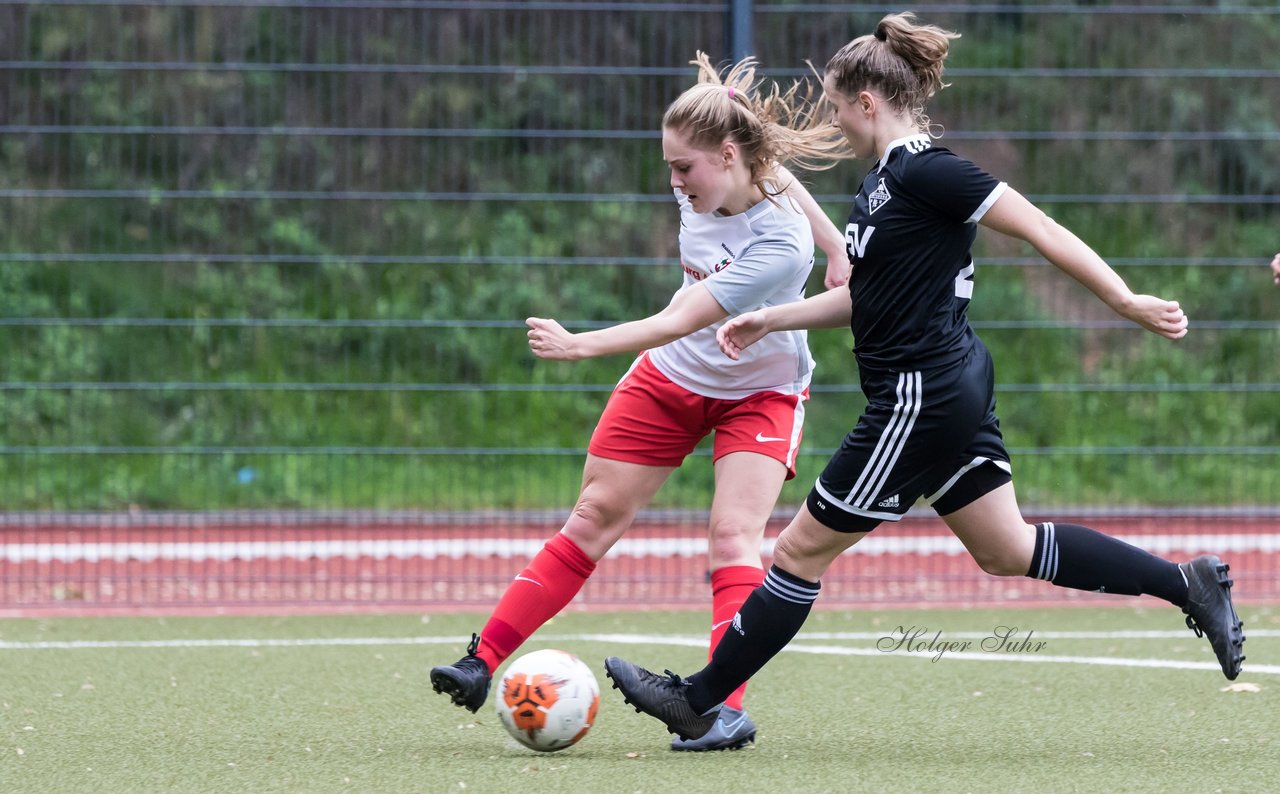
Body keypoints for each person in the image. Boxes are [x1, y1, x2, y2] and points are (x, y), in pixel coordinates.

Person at [603, 13, 1247, 742]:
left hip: (922, 391)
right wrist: (771, 319)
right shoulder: (882, 185)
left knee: (797, 551)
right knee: (1007, 548)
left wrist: (1124, 299)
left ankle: (698, 698)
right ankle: (1186, 583)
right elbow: (869, 297)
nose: (838, 126)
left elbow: (1041, 228)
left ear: (868, 103)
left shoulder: (928, 170)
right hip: (945, 383)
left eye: (840, 110)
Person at [430, 52, 852, 751]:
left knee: (731, 538)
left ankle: (719, 709)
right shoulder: (735, 172)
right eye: (668, 167)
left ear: (724, 155)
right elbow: (778, 172)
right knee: (593, 515)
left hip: (760, 391)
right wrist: (839, 242)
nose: (675, 183)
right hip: (672, 379)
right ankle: (481, 662)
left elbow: (677, 319)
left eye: (685, 168)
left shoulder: (778, 244)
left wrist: (580, 345)